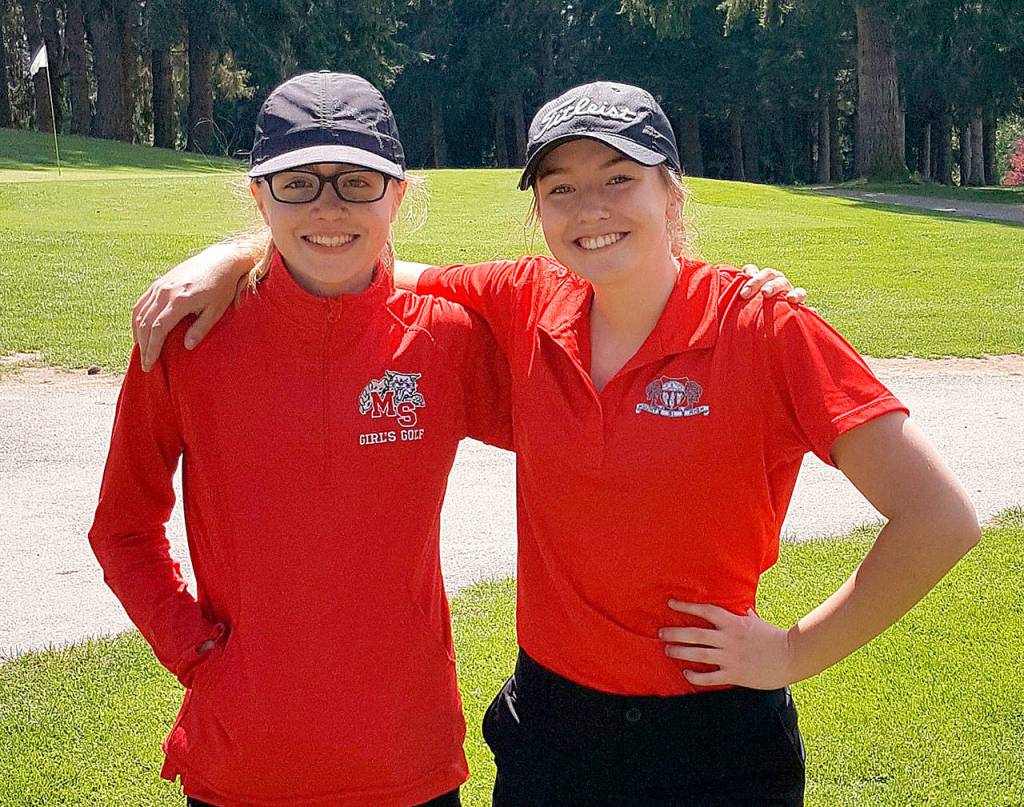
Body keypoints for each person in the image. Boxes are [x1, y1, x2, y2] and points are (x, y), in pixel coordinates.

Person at [132, 81, 978, 807]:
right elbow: (360, 264)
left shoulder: (763, 326)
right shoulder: (525, 300)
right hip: (552, 733)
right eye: (561, 187)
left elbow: (939, 516)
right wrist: (235, 256)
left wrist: (794, 649)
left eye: (619, 178)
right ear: (538, 209)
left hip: (715, 738)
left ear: (672, 193)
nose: (591, 208)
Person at [89, 71, 515, 807]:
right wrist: (195, 649)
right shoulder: (188, 340)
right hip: (244, 761)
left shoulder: (446, 338)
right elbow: (123, 529)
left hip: (405, 755)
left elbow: (586, 437)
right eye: (297, 183)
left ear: (398, 195)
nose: (328, 206)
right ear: (259, 197)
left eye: (357, 182)